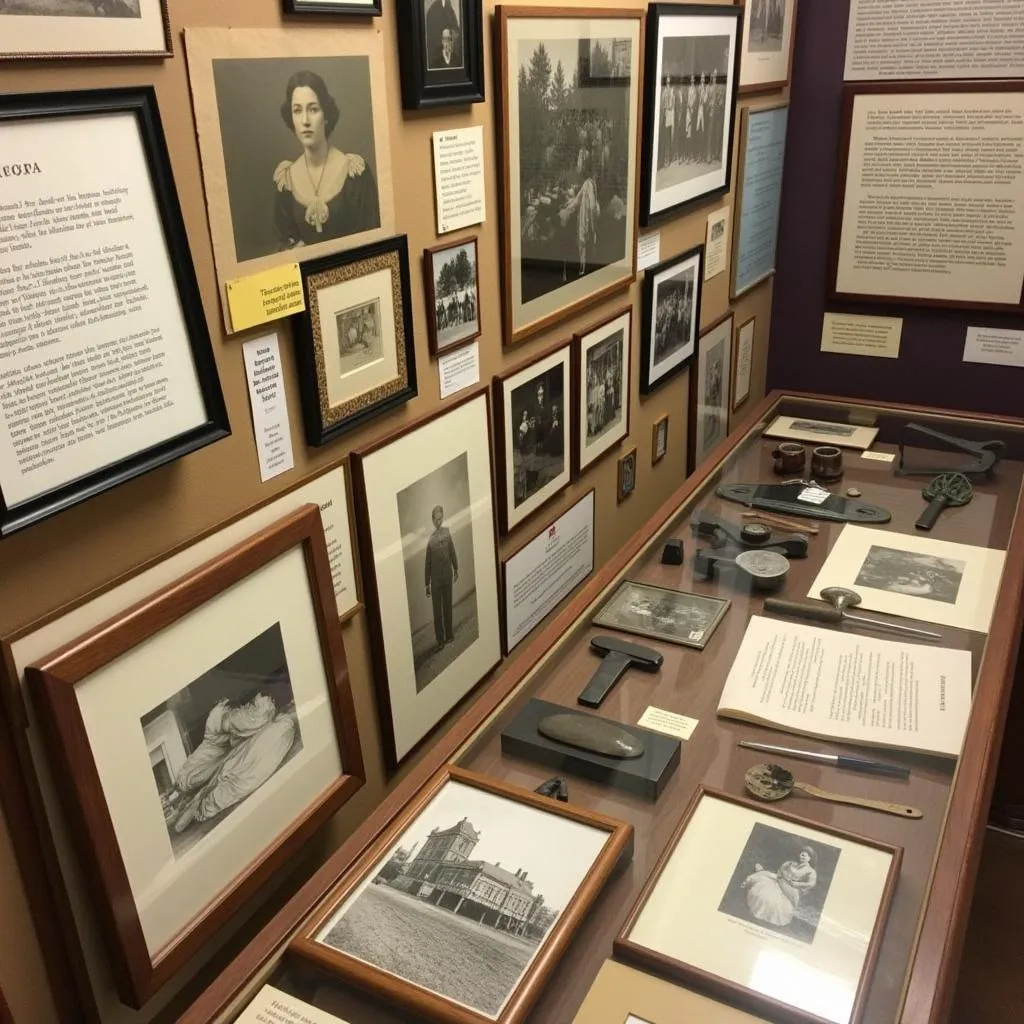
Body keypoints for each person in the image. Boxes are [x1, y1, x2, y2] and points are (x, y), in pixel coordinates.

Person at [273, 70, 380, 251]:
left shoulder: (355, 174)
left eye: (313, 109)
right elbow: (285, 246)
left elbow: (375, 244)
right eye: (297, 111)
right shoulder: (285, 181)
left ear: (327, 115)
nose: (305, 121)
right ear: (290, 117)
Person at [163, 692, 297, 835]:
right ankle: (181, 799)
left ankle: (183, 801)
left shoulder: (276, 729)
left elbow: (243, 777)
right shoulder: (232, 723)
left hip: (216, 786)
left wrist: (206, 804)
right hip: (217, 765)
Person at [741, 846, 818, 927]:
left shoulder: (811, 871)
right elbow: (780, 871)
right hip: (780, 880)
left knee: (777, 904)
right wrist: (782, 875)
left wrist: (797, 884)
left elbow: (811, 883)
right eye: (801, 854)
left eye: (804, 855)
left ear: (810, 858)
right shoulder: (791, 863)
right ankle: (755, 876)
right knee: (764, 886)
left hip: (790, 889)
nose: (801, 857)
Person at [425, 504, 459, 652]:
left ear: (442, 518)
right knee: (437, 612)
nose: (438, 522)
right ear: (432, 520)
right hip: (436, 581)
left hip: (447, 576)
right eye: (436, 519)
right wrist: (427, 584)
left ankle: (449, 635)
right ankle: (440, 640)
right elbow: (427, 563)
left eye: (440, 519)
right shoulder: (430, 540)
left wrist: (456, 568)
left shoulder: (447, 532)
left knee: (447, 607)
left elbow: (452, 550)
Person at [425, 0, 461, 69]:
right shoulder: (433, 10)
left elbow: (455, 28)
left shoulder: (449, 8)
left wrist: (454, 33)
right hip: (437, 54)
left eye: (449, 39)